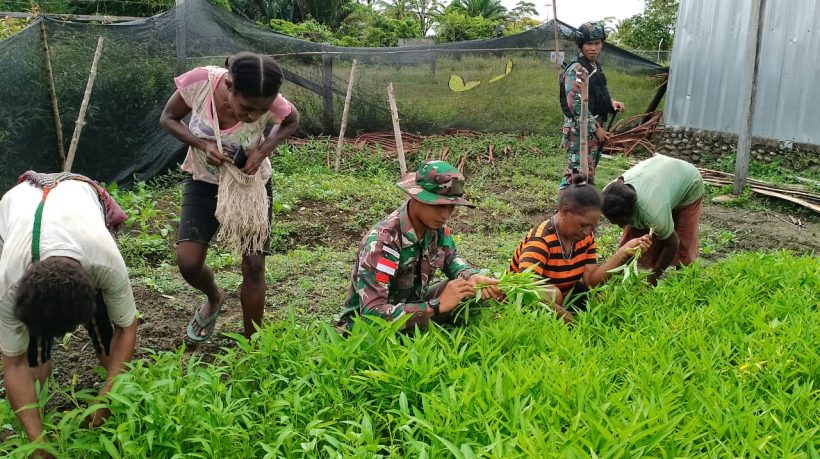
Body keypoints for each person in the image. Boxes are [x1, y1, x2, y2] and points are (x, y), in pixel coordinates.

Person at [160, 52, 300, 342]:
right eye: (247, 108)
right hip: (203, 181)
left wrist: (261, 152)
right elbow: (168, 118)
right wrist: (202, 144)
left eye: (261, 112)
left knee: (254, 264)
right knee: (188, 262)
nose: (253, 117)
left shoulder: (271, 102)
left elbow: (291, 121)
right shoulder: (200, 83)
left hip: (249, 186)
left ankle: (251, 344)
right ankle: (214, 296)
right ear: (230, 86)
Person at [0, 173, 138, 456]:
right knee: (31, 357)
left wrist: (106, 399)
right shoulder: (8, 284)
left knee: (106, 332)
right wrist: (37, 445)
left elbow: (127, 328)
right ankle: (40, 419)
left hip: (78, 198)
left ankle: (114, 407)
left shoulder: (106, 262)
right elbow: (12, 363)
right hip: (20, 207)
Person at [337, 160, 502, 332]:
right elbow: (372, 315)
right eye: (439, 206)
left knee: (467, 291)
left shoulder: (436, 229)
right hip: (365, 328)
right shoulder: (383, 242)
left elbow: (451, 258)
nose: (446, 215)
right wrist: (436, 306)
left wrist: (471, 276)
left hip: (415, 306)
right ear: (416, 197)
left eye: (451, 206)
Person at [509, 173, 651, 323]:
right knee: (552, 294)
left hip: (564, 297)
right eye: (583, 225)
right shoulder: (540, 240)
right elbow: (526, 289)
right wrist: (570, 320)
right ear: (564, 212)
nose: (587, 232)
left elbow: (591, 281)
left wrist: (623, 253)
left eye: (592, 226)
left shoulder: (584, 237)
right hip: (525, 301)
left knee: (600, 296)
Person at [602, 154, 705, 285]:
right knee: (630, 240)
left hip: (689, 182)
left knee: (684, 238)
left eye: (621, 222)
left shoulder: (652, 212)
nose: (621, 227)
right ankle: (616, 279)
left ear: (632, 211)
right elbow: (628, 246)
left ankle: (684, 282)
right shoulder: (610, 193)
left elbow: (673, 242)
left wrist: (654, 276)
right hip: (660, 173)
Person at [559, 21, 625, 188]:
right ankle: (563, 211)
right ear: (581, 45)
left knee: (588, 173)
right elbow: (575, 104)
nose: (593, 48)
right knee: (576, 175)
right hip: (578, 131)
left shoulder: (594, 66)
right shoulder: (577, 69)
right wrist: (596, 128)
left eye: (597, 43)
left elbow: (594, 93)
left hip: (591, 130)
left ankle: (580, 209)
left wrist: (611, 103)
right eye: (589, 44)